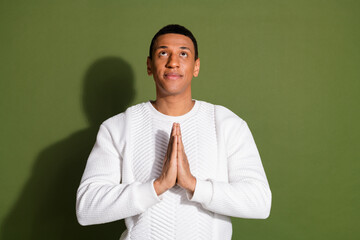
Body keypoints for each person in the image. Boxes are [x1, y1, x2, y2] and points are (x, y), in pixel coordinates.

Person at [76, 24, 272, 240]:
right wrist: (157, 186)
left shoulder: (226, 124)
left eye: (183, 54)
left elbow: (260, 203)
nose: (173, 62)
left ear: (196, 67)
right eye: (163, 53)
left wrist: (193, 185)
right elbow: (86, 208)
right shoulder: (118, 127)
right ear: (150, 66)